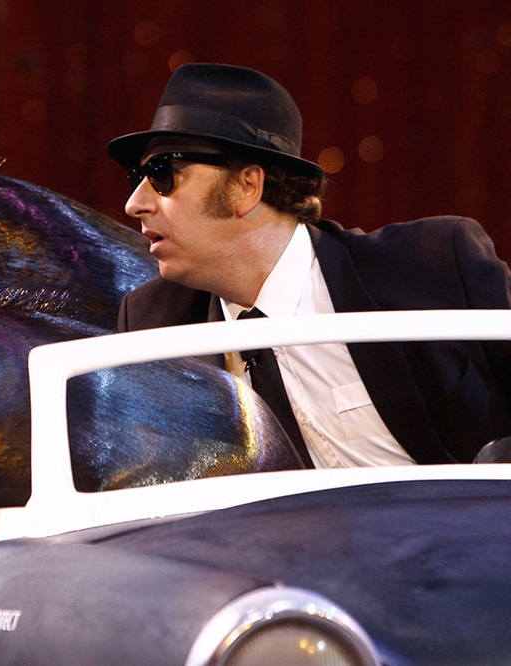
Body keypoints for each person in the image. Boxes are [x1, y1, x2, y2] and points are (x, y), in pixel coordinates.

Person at [108, 62, 511, 468]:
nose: (134, 204)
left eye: (162, 173)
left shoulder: (432, 263)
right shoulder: (153, 323)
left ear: (247, 186)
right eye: (136, 178)